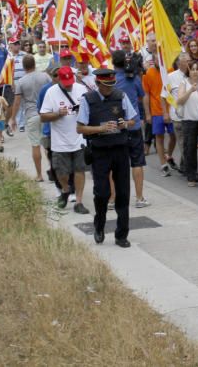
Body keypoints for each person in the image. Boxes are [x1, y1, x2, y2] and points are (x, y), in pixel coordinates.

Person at [76, 67, 140, 248]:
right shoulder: (88, 100)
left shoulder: (120, 96)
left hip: (120, 149)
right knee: (102, 193)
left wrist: (125, 123)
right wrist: (100, 129)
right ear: (97, 83)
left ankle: (121, 235)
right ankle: (99, 226)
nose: (110, 89)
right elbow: (80, 128)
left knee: (123, 193)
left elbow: (134, 120)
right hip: (100, 151)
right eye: (106, 86)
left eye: (112, 85)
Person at [41, 66, 90, 213]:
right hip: (60, 140)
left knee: (80, 170)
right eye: (65, 83)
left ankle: (79, 202)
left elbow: (91, 109)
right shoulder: (51, 92)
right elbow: (43, 116)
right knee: (61, 172)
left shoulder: (81, 89)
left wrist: (82, 110)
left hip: (79, 138)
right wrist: (57, 114)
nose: (68, 85)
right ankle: (66, 189)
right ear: (59, 80)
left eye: (70, 82)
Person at [113, 50, 150, 208]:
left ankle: (113, 199)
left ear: (113, 63)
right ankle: (139, 198)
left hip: (116, 127)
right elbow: (141, 96)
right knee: (137, 163)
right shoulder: (134, 79)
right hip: (133, 125)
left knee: (115, 165)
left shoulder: (110, 79)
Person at [13, 54, 51, 182]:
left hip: (31, 115)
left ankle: (39, 175)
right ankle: (53, 172)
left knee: (35, 145)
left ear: (23, 67)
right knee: (48, 145)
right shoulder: (45, 76)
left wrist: (13, 118)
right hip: (46, 114)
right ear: (35, 64)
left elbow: (17, 102)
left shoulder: (21, 81)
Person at [141, 53, 172, 175]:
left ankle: (168, 155)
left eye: (161, 58)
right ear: (153, 60)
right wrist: (148, 114)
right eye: (157, 59)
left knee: (174, 135)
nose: (159, 61)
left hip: (171, 110)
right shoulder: (148, 73)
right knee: (159, 137)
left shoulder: (170, 70)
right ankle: (163, 164)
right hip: (156, 111)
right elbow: (146, 95)